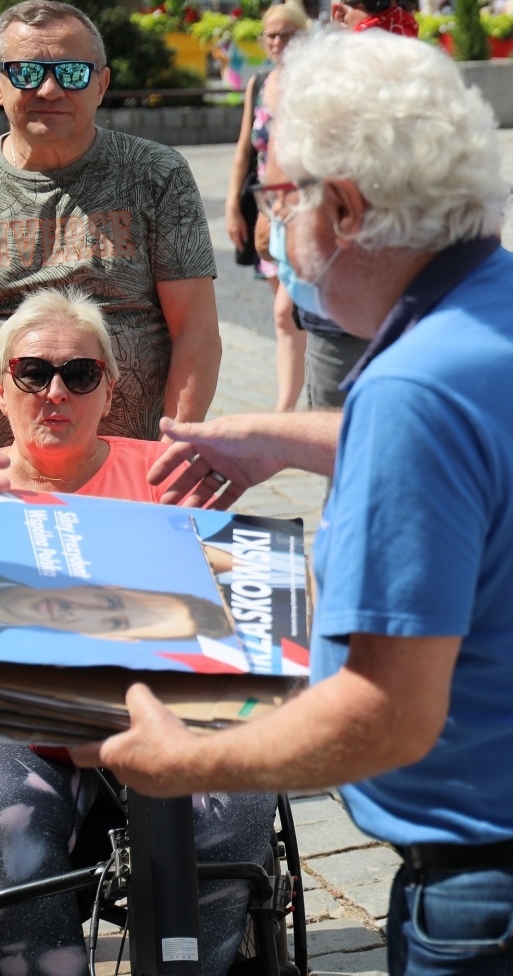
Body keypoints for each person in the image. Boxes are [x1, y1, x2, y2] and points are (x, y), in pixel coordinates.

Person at [74, 30, 513, 976]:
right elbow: (490, 440)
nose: (272, 218)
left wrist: (183, 758)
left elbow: (383, 716)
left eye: (278, 194)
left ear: (346, 207)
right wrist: (277, 439)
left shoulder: (417, 389)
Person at [0, 287, 276, 976]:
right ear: (3, 385)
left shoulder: (160, 473)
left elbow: (246, 596)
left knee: (239, 799)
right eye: (33, 372)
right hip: (26, 736)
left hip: (165, 719)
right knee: (6, 823)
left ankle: (194, 965)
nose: (54, 390)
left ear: (109, 388)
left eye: (79, 373)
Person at [0, 0, 220, 444]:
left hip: (132, 458)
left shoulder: (156, 173)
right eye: (26, 72)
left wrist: (172, 446)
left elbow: (195, 329)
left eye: (73, 73)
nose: (48, 90)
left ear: (101, 85)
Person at [289, 0, 427, 416]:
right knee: (342, 458)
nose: (393, 15)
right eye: (376, 2)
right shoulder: (312, 87)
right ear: (339, 13)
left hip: (419, 307)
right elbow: (292, 198)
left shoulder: (429, 85)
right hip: (341, 310)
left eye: (404, 3)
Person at [224, 3, 309, 413]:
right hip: (266, 212)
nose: (276, 43)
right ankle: (291, 402)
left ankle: (285, 408)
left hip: (305, 210)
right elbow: (244, 150)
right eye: (270, 35)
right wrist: (232, 206)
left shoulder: (314, 83)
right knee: (287, 314)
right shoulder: (259, 84)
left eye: (286, 35)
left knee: (285, 311)